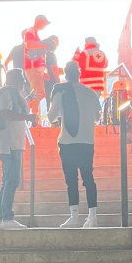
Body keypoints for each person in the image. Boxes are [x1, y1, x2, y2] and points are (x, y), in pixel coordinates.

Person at [48, 60, 102, 228]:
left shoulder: (61, 92)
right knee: (88, 178)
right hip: (87, 141)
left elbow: (51, 117)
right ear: (79, 74)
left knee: (71, 180)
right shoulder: (91, 93)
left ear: (66, 74)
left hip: (68, 141)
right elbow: (97, 117)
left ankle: (74, 217)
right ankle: (92, 217)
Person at [0, 68, 34, 230]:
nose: (23, 82)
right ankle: (6, 218)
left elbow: (12, 111)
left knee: (7, 181)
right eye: (22, 79)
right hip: (9, 145)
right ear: (17, 80)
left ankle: (2, 218)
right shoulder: (8, 93)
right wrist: (27, 117)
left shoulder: (13, 94)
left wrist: (27, 102)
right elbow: (6, 113)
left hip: (13, 143)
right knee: (11, 181)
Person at [21, 14, 51, 112]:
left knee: (37, 93)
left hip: (35, 68)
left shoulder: (33, 32)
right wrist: (43, 45)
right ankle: (21, 110)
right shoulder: (31, 31)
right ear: (40, 21)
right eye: (45, 23)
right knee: (39, 93)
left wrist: (43, 71)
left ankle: (34, 120)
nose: (45, 25)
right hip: (33, 68)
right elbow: (29, 45)